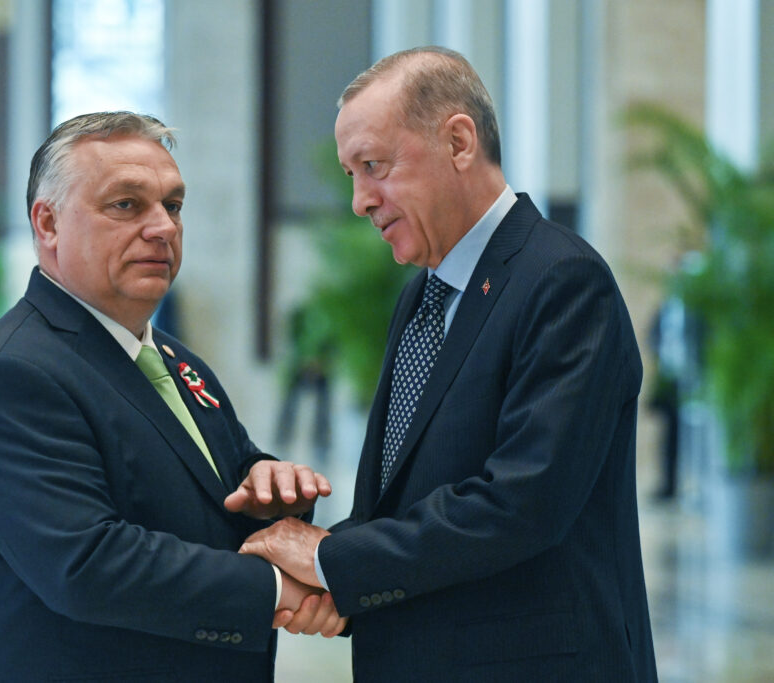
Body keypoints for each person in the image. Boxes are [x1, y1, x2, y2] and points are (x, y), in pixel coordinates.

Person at [232, 47, 658, 681]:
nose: (358, 200)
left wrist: (334, 561)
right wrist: (331, 575)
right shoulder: (423, 294)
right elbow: (411, 501)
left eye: (373, 166)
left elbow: (522, 503)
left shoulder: (562, 280)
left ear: (459, 141)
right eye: (352, 174)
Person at [0, 112, 344, 682]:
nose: (163, 228)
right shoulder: (9, 376)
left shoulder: (174, 359)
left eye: (172, 206)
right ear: (47, 223)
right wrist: (278, 585)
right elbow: (88, 564)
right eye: (126, 205)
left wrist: (269, 490)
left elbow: (215, 480)